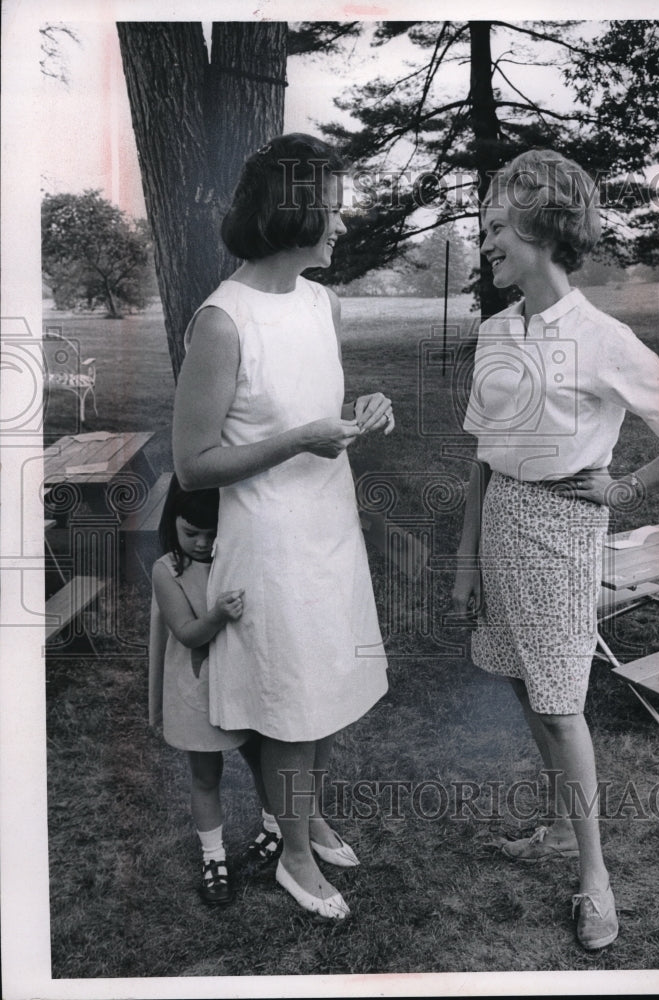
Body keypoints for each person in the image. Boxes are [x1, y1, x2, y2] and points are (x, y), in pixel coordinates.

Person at [452, 148, 659, 949]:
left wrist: (626, 488)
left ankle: (596, 877)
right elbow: (482, 453)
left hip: (561, 531)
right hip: (502, 517)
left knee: (560, 702)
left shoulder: (603, 337)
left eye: (496, 229)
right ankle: (555, 824)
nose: (487, 246)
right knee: (522, 682)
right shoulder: (497, 330)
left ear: (541, 229)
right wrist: (466, 557)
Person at [172, 133, 392, 920]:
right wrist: (301, 438)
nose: (341, 228)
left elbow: (310, 406)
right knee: (292, 702)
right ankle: (294, 856)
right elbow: (193, 464)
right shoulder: (222, 323)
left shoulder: (320, 301)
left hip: (328, 528)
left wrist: (361, 410)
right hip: (267, 543)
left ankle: (301, 815)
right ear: (291, 214)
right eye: (330, 213)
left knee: (324, 689)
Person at [149, 474, 279, 905]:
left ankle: (276, 830)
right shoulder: (167, 570)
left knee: (263, 761)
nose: (203, 543)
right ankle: (214, 858)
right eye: (192, 532)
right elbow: (187, 634)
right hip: (196, 687)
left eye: (213, 532)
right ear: (174, 522)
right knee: (206, 775)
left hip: (242, 681)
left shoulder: (236, 555)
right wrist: (219, 615)